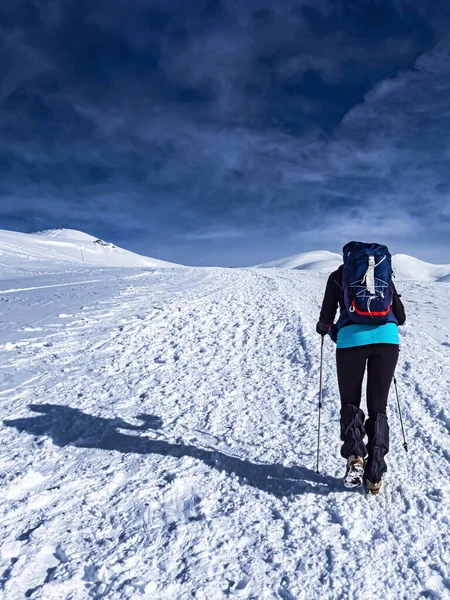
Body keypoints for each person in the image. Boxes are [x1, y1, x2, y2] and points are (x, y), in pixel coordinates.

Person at [316, 241, 406, 495]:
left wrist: (326, 329)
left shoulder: (338, 276)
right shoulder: (384, 276)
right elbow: (400, 316)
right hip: (387, 342)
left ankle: (355, 454)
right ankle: (375, 472)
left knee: (350, 401)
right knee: (378, 406)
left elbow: (326, 317)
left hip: (350, 342)